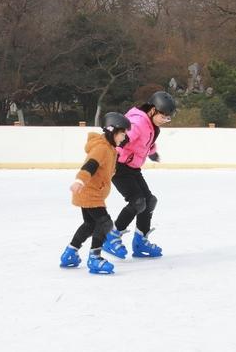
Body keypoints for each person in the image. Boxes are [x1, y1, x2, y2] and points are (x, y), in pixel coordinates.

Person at [102, 91, 176, 259]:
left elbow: (145, 142)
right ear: (152, 110)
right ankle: (111, 237)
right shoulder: (138, 122)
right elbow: (120, 140)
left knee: (149, 201)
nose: (165, 120)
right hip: (118, 166)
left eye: (167, 118)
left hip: (132, 167)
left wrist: (152, 153)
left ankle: (140, 242)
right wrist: (107, 160)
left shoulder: (151, 125)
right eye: (163, 116)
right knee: (137, 202)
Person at [59, 112, 131, 274]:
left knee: (90, 224)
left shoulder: (110, 148)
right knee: (104, 223)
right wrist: (80, 180)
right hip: (89, 192)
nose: (124, 137)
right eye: (122, 133)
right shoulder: (101, 148)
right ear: (112, 131)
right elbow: (91, 164)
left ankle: (70, 253)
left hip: (91, 192)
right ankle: (95, 258)